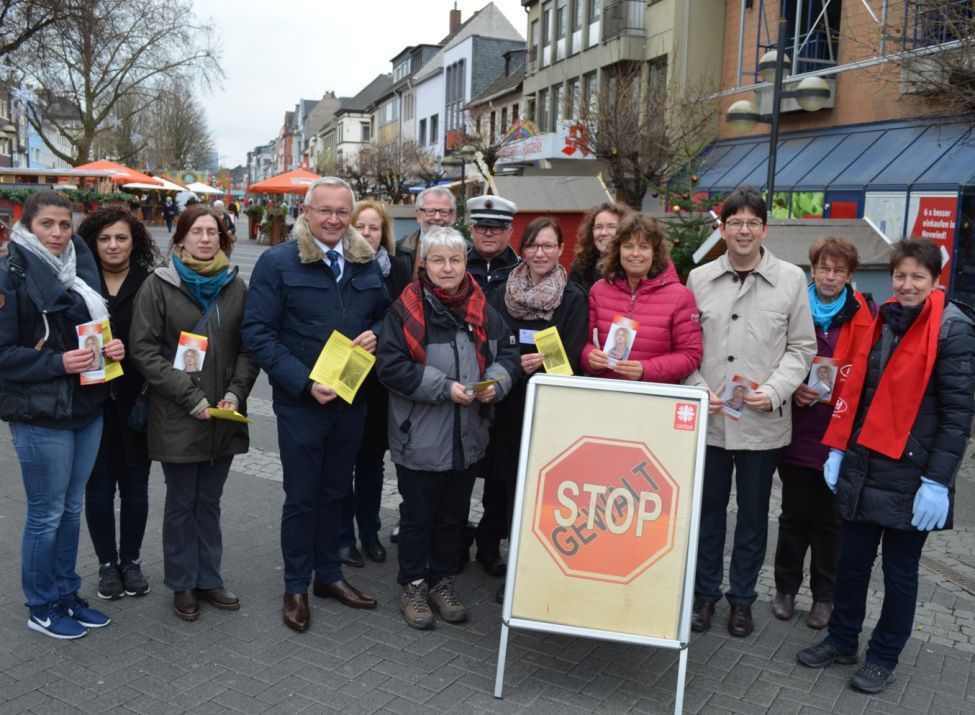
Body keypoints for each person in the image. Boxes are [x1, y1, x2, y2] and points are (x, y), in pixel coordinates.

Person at [798, 238, 975, 694]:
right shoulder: (883, 319)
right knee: (852, 563)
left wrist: (937, 482)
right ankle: (841, 640)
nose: (908, 284)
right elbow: (857, 390)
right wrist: (839, 446)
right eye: (901, 275)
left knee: (899, 574)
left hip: (913, 475)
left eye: (918, 276)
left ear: (936, 280)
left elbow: (957, 418)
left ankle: (883, 656)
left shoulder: (953, 330)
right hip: (865, 463)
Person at [241, 177, 390, 633]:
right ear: (305, 212)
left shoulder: (365, 264)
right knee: (303, 497)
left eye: (341, 212)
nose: (333, 220)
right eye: (324, 210)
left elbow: (386, 315)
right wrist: (303, 383)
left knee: (335, 491)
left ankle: (328, 576)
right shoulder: (278, 262)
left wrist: (378, 335)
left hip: (350, 397)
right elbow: (257, 333)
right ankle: (295, 586)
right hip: (303, 403)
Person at [684, 186, 816, 637]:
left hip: (762, 423)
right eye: (734, 222)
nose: (743, 230)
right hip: (712, 420)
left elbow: (801, 348)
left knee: (755, 518)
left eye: (751, 222)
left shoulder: (792, 280)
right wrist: (699, 390)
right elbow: (685, 347)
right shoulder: (699, 279)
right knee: (708, 515)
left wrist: (777, 391)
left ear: (765, 228)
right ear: (722, 228)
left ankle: (742, 600)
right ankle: (704, 596)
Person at [376, 226, 519, 630]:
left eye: (455, 259)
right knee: (419, 515)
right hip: (419, 435)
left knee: (453, 516)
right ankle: (414, 585)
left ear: (464, 263)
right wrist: (444, 389)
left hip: (468, 435)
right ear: (423, 263)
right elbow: (391, 367)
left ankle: (442, 581)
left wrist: (495, 383)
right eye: (437, 259)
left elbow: (507, 351)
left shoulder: (482, 306)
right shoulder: (404, 309)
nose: (447, 267)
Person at [0, 191, 123, 639]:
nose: (57, 234)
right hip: (40, 415)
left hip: (86, 407)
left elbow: (89, 333)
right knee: (46, 514)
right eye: (47, 225)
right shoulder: (10, 273)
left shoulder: (78, 267)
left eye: (64, 225)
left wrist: (110, 349)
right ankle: (40, 604)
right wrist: (57, 363)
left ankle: (66, 593)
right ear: (27, 226)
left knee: (71, 510)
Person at [130, 204, 258, 622]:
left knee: (211, 501)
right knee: (183, 501)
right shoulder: (159, 285)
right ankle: (182, 582)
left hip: (222, 415)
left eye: (213, 232)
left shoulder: (235, 286)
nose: (206, 238)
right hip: (179, 415)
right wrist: (192, 398)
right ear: (180, 238)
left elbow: (248, 348)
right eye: (197, 231)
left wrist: (236, 395)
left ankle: (209, 578)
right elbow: (144, 352)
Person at [771, 237, 875, 630]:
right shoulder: (794, 307)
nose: (830, 277)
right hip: (797, 431)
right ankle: (784, 589)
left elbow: (870, 375)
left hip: (838, 436)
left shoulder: (866, 314)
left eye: (839, 271)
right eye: (824, 268)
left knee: (830, 523)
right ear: (812, 269)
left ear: (850, 275)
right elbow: (775, 356)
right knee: (794, 515)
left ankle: (824, 597)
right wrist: (792, 385)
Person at [487, 216, 588, 603]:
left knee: (541, 489)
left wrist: (543, 361)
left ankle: (532, 563)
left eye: (548, 246)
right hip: (507, 402)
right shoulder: (501, 291)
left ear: (560, 249)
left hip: (550, 406)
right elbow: (493, 341)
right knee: (505, 480)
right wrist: (514, 364)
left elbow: (575, 355)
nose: (540, 253)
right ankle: (501, 554)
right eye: (533, 245)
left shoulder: (573, 296)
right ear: (522, 249)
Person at [78, 207, 159, 601]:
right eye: (105, 238)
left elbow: (165, 341)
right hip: (91, 402)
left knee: (136, 488)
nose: (113, 245)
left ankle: (132, 561)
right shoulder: (79, 284)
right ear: (94, 241)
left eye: (121, 238)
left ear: (134, 241)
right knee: (97, 489)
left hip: (137, 402)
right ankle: (107, 565)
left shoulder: (151, 283)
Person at [337, 200, 411, 566]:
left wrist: (379, 335)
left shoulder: (397, 269)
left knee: (371, 463)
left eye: (374, 227)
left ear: (385, 233)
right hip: (346, 374)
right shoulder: (339, 266)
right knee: (341, 461)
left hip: (381, 383)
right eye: (361, 226)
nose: (367, 233)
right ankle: (342, 536)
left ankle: (369, 531)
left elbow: (403, 320)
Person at [464, 194, 521, 578]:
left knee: (500, 472)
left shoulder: (520, 270)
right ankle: (451, 541)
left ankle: (489, 543)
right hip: (460, 383)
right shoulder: (455, 263)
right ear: (471, 229)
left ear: (508, 231)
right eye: (483, 226)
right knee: (458, 468)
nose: (489, 232)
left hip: (504, 386)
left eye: (497, 227)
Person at [582, 212, 702, 384]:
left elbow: (690, 355)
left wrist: (646, 369)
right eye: (628, 246)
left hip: (653, 398)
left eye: (644, 247)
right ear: (618, 250)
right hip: (606, 393)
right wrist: (589, 358)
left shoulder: (680, 297)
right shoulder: (599, 290)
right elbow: (584, 343)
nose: (635, 254)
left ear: (655, 252)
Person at [568, 201, 630, 295]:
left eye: (611, 226)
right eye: (599, 227)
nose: (603, 233)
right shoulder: (581, 268)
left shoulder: (633, 268)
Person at [395, 186, 457, 278]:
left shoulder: (468, 251)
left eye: (444, 211)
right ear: (418, 215)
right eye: (430, 211)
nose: (437, 217)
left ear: (453, 216)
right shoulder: (399, 251)